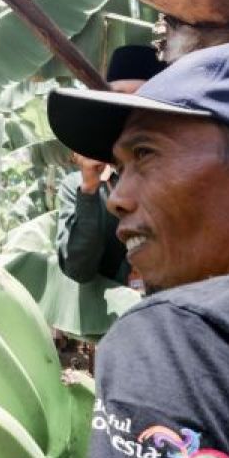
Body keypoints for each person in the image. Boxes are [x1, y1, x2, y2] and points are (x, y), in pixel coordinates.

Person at [47, 41, 229, 458]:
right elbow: (76, 262)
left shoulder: (181, 341)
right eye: (119, 170)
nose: (117, 197)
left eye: (146, 153)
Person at [55, 45, 166, 287]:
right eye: (118, 96)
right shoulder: (78, 187)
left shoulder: (179, 174)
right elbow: (78, 269)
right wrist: (89, 190)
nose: (125, 110)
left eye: (137, 98)